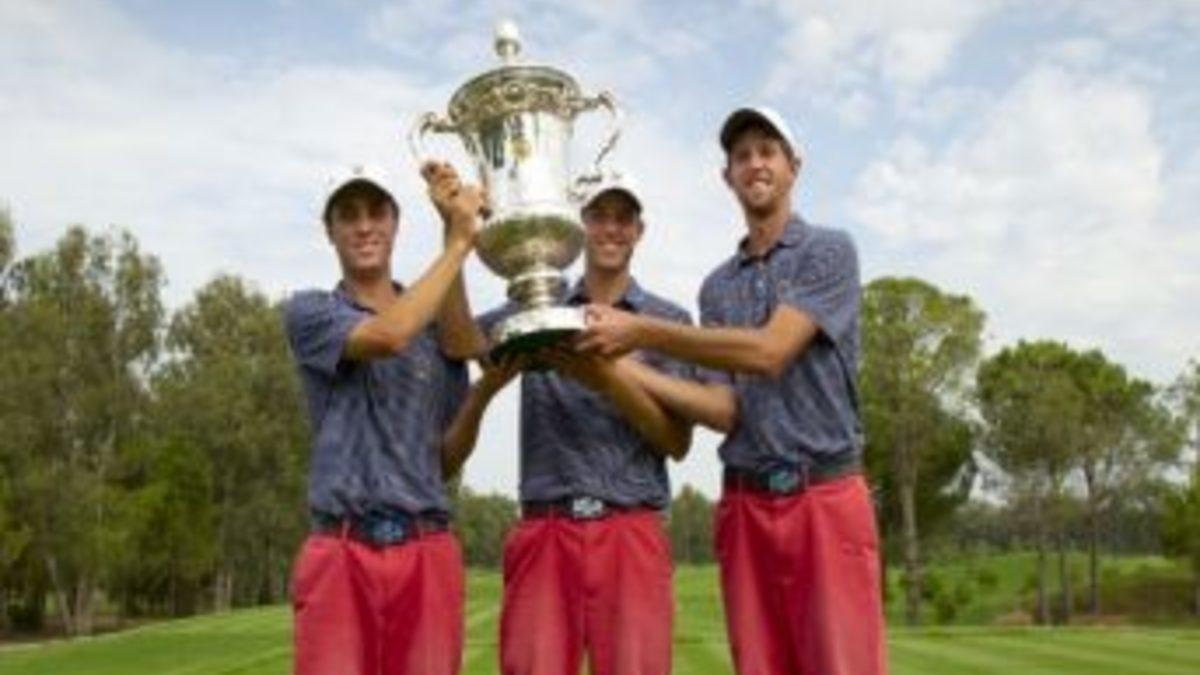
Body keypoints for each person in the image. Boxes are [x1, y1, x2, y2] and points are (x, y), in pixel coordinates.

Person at [577, 108, 888, 675]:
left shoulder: (829, 250)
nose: (755, 163)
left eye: (768, 151)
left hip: (823, 494)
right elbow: (725, 410)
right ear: (728, 177)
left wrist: (640, 331)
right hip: (745, 505)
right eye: (742, 156)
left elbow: (770, 352)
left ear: (794, 167)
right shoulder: (717, 287)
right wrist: (617, 367)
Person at [444, 173, 722, 675]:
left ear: (639, 230)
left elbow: (676, 442)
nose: (611, 229)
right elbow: (461, 342)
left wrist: (607, 378)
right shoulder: (538, 304)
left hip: (630, 527)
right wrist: (456, 237)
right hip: (546, 526)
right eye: (598, 216)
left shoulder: (667, 320)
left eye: (623, 218)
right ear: (579, 226)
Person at [284, 162, 485, 675]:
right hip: (340, 551)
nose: (364, 226)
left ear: (396, 224)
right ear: (329, 231)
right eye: (348, 216)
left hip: (426, 548)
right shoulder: (309, 311)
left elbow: (445, 459)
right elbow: (388, 335)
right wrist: (459, 242)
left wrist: (485, 392)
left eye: (377, 213)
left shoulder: (436, 331)